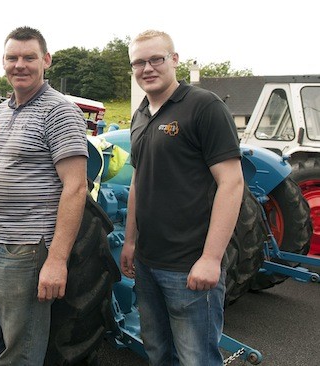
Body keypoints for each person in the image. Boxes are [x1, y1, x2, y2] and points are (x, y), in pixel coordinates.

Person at [0, 26, 88, 365]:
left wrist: (57, 260)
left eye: (29, 57)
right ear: (3, 62)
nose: (20, 65)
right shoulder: (1, 112)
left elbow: (76, 187)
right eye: (12, 57)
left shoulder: (59, 111)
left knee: (20, 353)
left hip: (27, 251)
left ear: (45, 60)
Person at [119, 30, 244, 365]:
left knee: (196, 358)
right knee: (158, 353)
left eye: (155, 59)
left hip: (189, 266)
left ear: (174, 60)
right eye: (138, 62)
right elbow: (138, 182)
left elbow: (231, 183)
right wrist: (130, 241)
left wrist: (211, 259)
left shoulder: (203, 106)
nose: (147, 68)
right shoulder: (141, 114)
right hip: (147, 264)